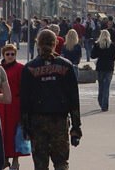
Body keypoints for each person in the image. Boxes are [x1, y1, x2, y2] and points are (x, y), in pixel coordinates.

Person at [21, 29, 81, 170]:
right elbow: (73, 98)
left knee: (40, 164)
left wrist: (25, 126)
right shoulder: (66, 66)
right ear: (55, 44)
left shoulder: (30, 68)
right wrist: (76, 127)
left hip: (37, 122)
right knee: (61, 162)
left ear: (38, 44)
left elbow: (25, 100)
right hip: (59, 121)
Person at [0, 44, 26, 170]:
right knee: (1, 133)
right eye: (8, 54)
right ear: (3, 55)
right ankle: (4, 158)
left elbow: (24, 88)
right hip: (1, 104)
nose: (10, 56)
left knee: (15, 134)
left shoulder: (21, 68)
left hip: (15, 104)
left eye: (13, 54)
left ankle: (15, 160)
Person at [91, 28, 115, 112]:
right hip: (109, 67)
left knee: (101, 86)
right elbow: (114, 57)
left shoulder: (97, 44)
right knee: (107, 87)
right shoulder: (112, 45)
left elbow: (92, 56)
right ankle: (105, 105)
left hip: (100, 67)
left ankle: (101, 101)